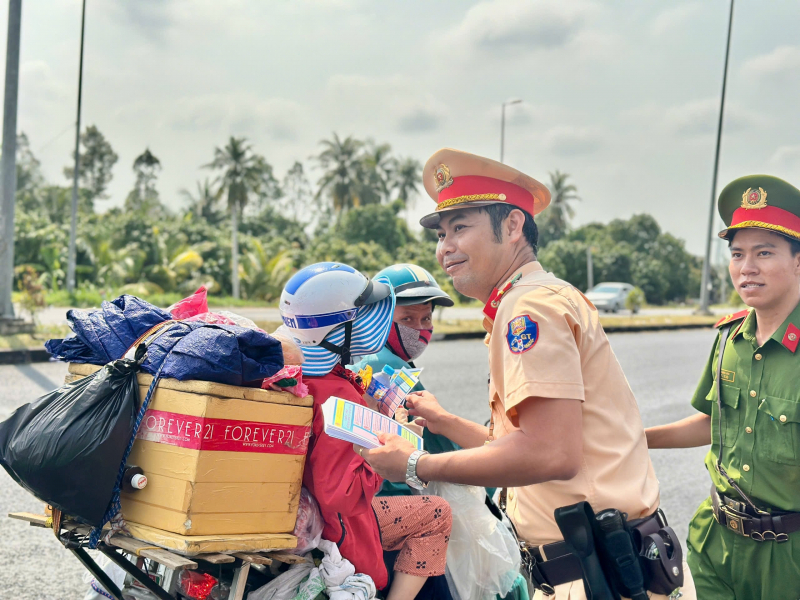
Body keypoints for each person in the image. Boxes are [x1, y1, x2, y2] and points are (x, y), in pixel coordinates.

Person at [357, 149, 694, 600]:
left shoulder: (528, 308)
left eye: (460, 228)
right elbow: (521, 445)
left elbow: (550, 453)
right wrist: (445, 421)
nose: (445, 247)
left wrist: (417, 464)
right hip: (601, 564)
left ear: (513, 226)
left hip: (597, 573)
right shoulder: (537, 297)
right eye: (441, 233)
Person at [645, 175, 800, 599]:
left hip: (790, 558)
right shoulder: (729, 339)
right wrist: (635, 439)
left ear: (798, 261)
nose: (746, 267)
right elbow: (709, 422)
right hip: (716, 539)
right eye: (737, 254)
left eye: (764, 253)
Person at [278, 262, 452, 600]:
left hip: (310, 515)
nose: (374, 322)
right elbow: (340, 495)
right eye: (363, 315)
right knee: (437, 513)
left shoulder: (304, 374)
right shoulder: (336, 391)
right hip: (339, 530)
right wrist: (385, 446)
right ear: (338, 326)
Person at [354, 263, 460, 496]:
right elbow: (440, 446)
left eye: (426, 319)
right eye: (407, 319)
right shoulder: (385, 365)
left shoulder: (364, 351)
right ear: (378, 318)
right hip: (383, 494)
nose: (420, 329)